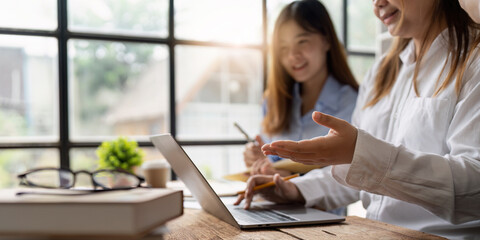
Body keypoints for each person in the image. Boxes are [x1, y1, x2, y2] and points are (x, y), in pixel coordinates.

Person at [236, 0, 480, 238]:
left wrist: (363, 155)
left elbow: (475, 190)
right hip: (373, 231)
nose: (377, 4)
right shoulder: (381, 73)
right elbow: (358, 175)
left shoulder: (474, 60)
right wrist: (294, 190)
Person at [243, 0, 358, 178]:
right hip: (269, 202)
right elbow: (270, 163)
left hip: (317, 206)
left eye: (302, 41)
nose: (293, 55)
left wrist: (288, 175)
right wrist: (257, 158)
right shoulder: (273, 101)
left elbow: (352, 175)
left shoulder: (353, 103)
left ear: (326, 40)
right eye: (283, 48)